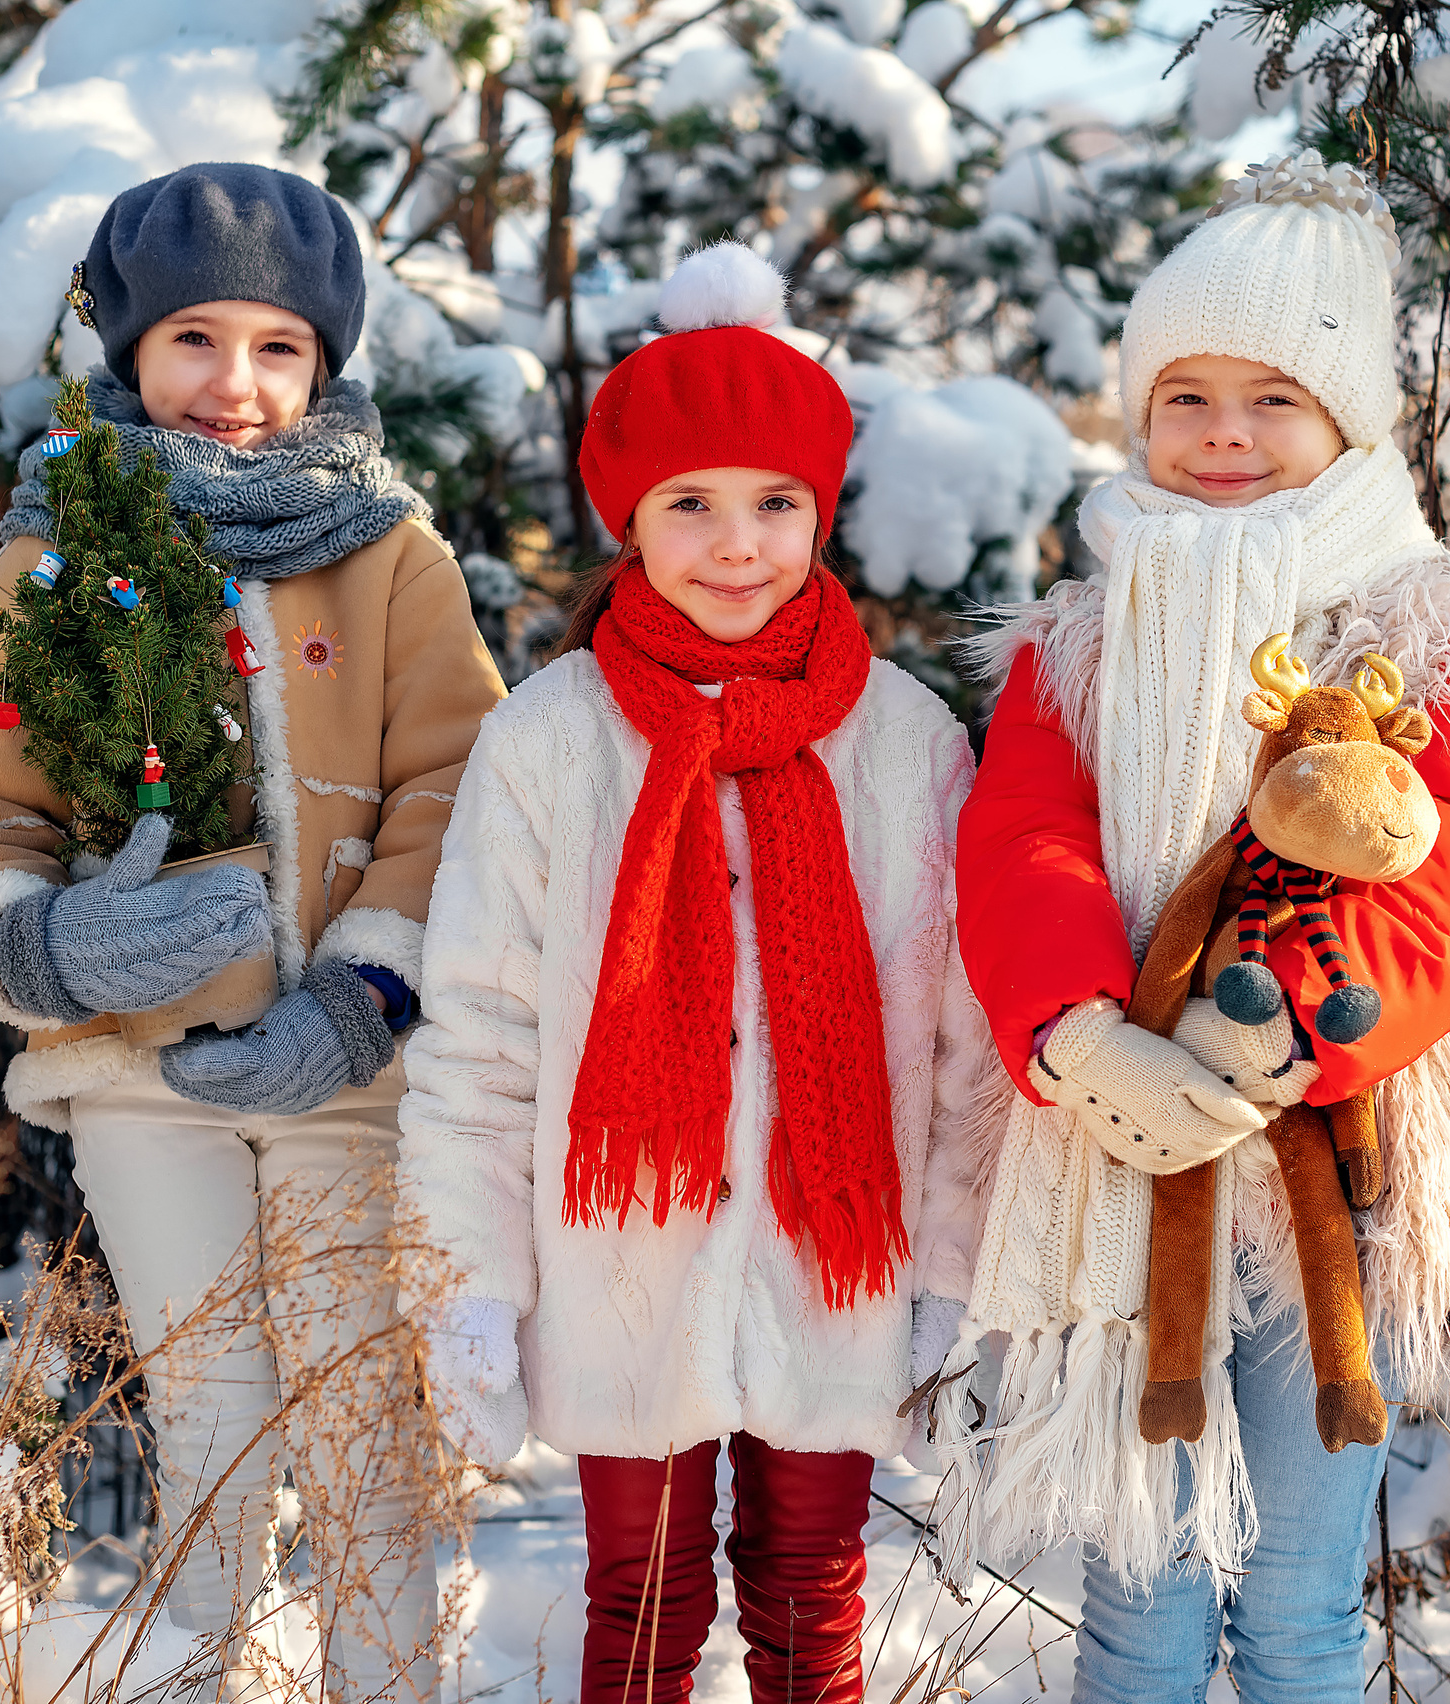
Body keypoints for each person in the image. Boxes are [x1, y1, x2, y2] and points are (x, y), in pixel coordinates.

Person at [936, 149, 1450, 1701]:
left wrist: (1293, 1007)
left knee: (1296, 1608)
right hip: (1120, 1140)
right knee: (1140, 1614)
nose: (1224, 432)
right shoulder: (1081, 638)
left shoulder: (1431, 625)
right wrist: (1082, 1034)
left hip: (1340, 1163)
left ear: (1348, 417)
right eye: (1187, 397)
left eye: (1272, 398)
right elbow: (1019, 838)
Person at [0, 162, 505, 1702]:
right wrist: (45, 945)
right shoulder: (53, 553)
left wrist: (366, 992)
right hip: (135, 1077)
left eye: (276, 347)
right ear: (127, 350)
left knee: (365, 1427)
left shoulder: (388, 553)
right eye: (192, 341)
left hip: (343, 1078)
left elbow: (461, 783)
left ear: (324, 362)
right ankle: (212, 1680)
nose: (234, 384)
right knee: (214, 1420)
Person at [395, 244, 1000, 1704]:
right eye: (693, 506)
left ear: (821, 511)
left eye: (776, 504)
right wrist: (468, 1282)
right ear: (631, 522)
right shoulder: (550, 737)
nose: (739, 545)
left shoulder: (906, 742)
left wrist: (950, 1270)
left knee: (813, 1602)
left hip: (836, 1255)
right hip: (623, 1258)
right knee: (641, 1601)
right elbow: (480, 1026)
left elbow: (966, 1043)